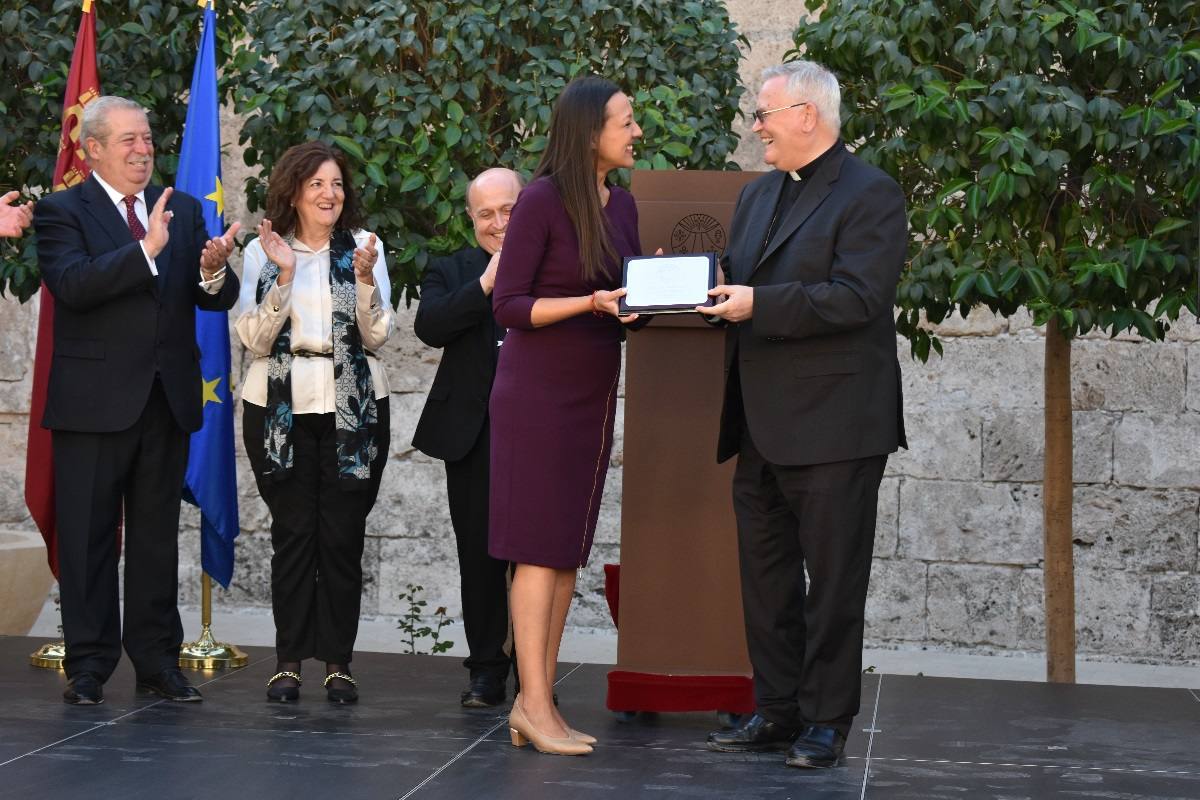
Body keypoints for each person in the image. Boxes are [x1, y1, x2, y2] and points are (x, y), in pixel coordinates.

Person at [698, 61, 907, 769]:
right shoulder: (756, 195)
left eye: (764, 114)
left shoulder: (872, 192)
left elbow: (858, 298)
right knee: (767, 580)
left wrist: (760, 303)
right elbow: (737, 279)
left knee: (835, 582)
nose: (755, 127)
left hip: (837, 426)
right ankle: (777, 708)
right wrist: (690, 292)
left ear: (807, 116)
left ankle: (826, 720)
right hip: (759, 423)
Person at [34, 95, 240, 705]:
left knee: (155, 540)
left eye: (147, 138)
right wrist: (145, 251)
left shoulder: (180, 209)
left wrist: (211, 270)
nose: (143, 149)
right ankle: (89, 666)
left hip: (165, 401)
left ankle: (156, 663)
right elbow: (71, 285)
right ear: (92, 149)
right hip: (92, 407)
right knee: (90, 538)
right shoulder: (60, 211)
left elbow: (213, 300)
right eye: (127, 140)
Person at [490, 75, 643, 756]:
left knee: (565, 552)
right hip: (536, 395)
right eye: (626, 121)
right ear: (590, 133)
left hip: (590, 392)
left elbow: (626, 295)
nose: (636, 132)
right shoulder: (542, 200)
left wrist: (650, 295)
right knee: (536, 551)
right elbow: (511, 305)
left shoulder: (624, 206)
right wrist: (590, 304)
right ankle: (532, 704)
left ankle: (539, 700)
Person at [236, 141, 393, 705]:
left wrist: (368, 280)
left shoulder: (367, 248)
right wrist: (281, 275)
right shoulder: (264, 250)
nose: (330, 194)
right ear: (294, 192)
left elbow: (378, 336)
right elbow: (253, 339)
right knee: (294, 535)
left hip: (355, 410)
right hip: (278, 408)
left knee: (342, 536)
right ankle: (287, 663)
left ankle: (339, 663)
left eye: (337, 184)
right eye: (317, 184)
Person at [413, 167, 524, 708]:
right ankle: (486, 670)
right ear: (471, 219)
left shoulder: (557, 265)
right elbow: (430, 326)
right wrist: (485, 284)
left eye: (509, 210)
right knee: (478, 557)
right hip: (472, 434)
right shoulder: (450, 269)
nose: (499, 223)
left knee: (536, 558)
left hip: (537, 434)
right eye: (486, 214)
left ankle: (534, 667)